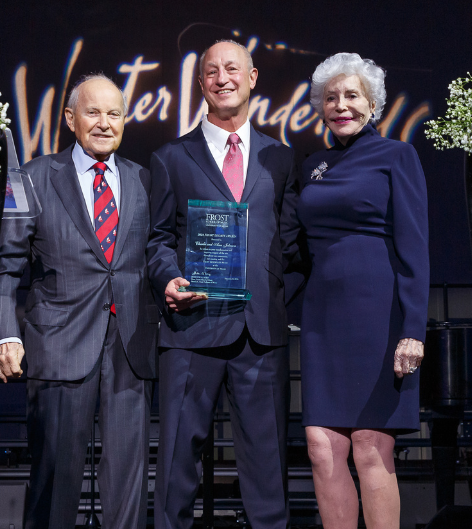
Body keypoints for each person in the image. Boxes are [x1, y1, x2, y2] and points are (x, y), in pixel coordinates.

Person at [0, 74, 159, 529]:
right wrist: (6, 332)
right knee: (54, 483)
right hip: (59, 344)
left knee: (128, 485)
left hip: (129, 348)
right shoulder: (34, 177)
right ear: (70, 118)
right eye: (93, 112)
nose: (104, 123)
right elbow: (6, 267)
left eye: (114, 114)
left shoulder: (144, 179)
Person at [147, 40, 299, 529]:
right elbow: (157, 239)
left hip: (261, 336)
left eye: (232, 68)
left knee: (268, 473)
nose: (222, 78)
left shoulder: (282, 158)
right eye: (211, 72)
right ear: (200, 84)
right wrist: (169, 277)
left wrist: (279, 300)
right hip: (192, 328)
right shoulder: (171, 157)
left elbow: (292, 244)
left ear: (252, 78)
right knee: (175, 472)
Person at [296, 53, 429, 529]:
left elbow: (415, 246)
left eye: (352, 95)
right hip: (322, 321)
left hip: (381, 316)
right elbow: (295, 248)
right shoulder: (313, 165)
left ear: (372, 104)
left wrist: (414, 329)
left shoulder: (398, 155)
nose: (341, 105)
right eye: (331, 98)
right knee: (321, 447)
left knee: (371, 445)